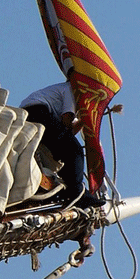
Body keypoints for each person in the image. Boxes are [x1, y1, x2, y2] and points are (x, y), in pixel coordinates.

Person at [20, 72, 105, 208]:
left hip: (31, 114)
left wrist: (84, 119)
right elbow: (67, 120)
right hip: (37, 112)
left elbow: (68, 132)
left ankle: (69, 189)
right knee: (74, 151)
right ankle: (77, 193)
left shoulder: (65, 90)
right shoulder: (71, 90)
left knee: (66, 153)